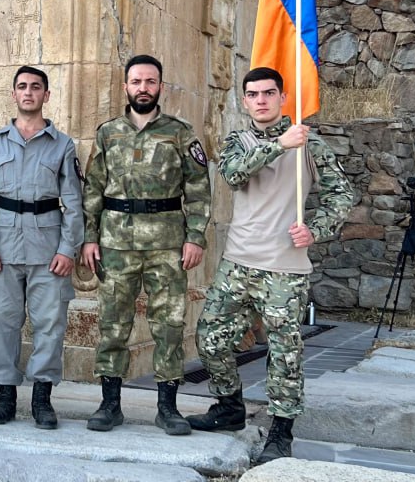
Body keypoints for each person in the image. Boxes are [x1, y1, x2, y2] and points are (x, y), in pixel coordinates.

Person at [189, 67, 353, 463]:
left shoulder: (310, 145)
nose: (260, 100)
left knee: (284, 352)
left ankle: (281, 432)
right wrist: (280, 144)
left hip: (285, 269)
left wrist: (315, 229)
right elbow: (233, 175)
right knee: (210, 339)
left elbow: (341, 194)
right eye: (253, 94)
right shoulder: (238, 142)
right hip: (238, 263)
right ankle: (229, 407)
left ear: (283, 98)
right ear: (245, 101)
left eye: (268, 93)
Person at [80, 54, 211, 436]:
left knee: (168, 325)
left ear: (160, 87)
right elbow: (92, 189)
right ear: (126, 86)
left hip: (166, 244)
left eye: (150, 82)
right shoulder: (108, 133)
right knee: (112, 323)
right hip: (116, 242)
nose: (143, 88)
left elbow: (199, 189)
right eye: (136, 81)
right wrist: (89, 237)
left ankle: (167, 407)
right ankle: (110, 404)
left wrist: (195, 237)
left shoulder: (180, 133)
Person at [0, 66, 83, 429]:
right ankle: (5, 397)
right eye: (22, 86)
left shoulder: (62, 145)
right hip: (3, 246)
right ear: (14, 94)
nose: (28, 92)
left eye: (36, 87)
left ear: (46, 95)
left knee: (50, 324)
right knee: (2, 323)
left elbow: (73, 202)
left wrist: (67, 249)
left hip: (47, 246)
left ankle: (41, 399)